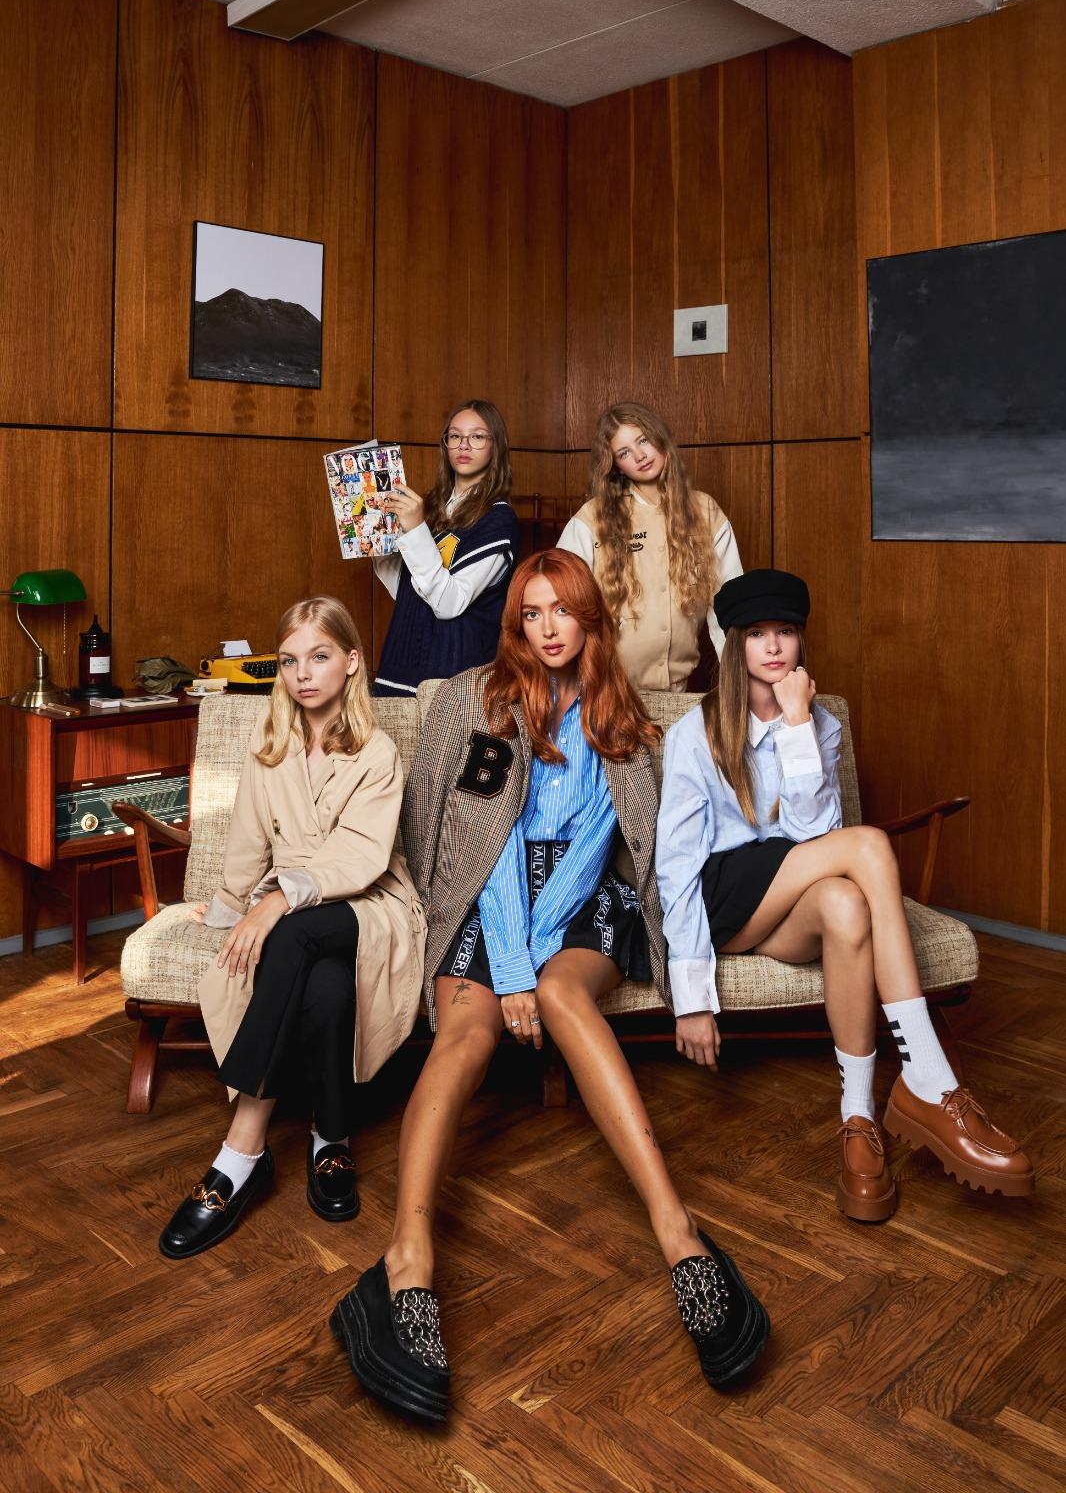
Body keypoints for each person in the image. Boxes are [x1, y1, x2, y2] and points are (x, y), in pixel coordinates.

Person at [329, 551, 769, 1423]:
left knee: (566, 995)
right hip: (482, 890)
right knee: (467, 1036)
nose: (547, 628)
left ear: (588, 618)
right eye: (530, 614)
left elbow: (606, 845)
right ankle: (404, 1262)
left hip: (581, 894)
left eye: (561, 610)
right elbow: (466, 837)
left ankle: (680, 1236)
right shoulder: (476, 702)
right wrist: (509, 967)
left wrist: (535, 967)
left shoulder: (619, 716)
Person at [656, 568, 1034, 1222]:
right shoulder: (695, 733)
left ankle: (858, 1118)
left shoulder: (819, 725)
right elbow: (676, 868)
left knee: (846, 903)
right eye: (757, 634)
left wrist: (798, 724)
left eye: (786, 632)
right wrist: (691, 998)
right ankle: (930, 1078)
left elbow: (815, 841)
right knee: (869, 847)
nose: (774, 647)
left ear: (801, 640)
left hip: (787, 901)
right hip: (723, 903)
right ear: (735, 644)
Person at [158, 597, 426, 1259]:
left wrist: (274, 903)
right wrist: (228, 907)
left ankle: (240, 1150)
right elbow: (248, 843)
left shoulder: (378, 751)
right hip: (299, 920)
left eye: (320, 656)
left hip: (369, 906)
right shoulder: (269, 746)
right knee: (325, 985)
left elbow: (360, 858)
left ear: (351, 661)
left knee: (292, 934)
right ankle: (330, 1137)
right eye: (289, 661)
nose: (303, 673)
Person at [558, 401, 742, 691]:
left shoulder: (705, 511)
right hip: (607, 689)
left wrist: (738, 683)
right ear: (616, 466)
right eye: (624, 453)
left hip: (677, 690)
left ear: (659, 436)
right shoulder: (592, 518)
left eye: (643, 440)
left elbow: (729, 605)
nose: (640, 456)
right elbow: (561, 601)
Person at [372, 400, 520, 696]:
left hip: (453, 680)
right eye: (455, 436)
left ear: (496, 445)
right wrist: (375, 533)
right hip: (401, 667)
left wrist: (415, 531)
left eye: (477, 436)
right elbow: (408, 590)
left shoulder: (499, 519)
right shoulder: (429, 506)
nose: (464, 445)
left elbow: (449, 604)